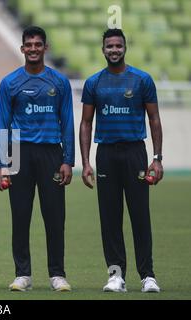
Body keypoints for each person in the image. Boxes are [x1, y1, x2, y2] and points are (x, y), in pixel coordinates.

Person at [79, 28, 163, 293]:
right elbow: (85, 123)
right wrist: (85, 163)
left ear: (125, 48)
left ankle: (147, 276)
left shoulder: (142, 80)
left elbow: (154, 119)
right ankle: (116, 276)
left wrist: (157, 158)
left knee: (140, 215)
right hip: (106, 154)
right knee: (110, 218)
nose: (114, 50)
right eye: (109, 46)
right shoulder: (94, 83)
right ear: (102, 50)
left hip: (135, 153)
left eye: (118, 46)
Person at [0, 26, 74, 292]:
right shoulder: (9, 83)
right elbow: (4, 126)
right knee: (20, 215)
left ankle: (57, 274)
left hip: (51, 152)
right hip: (18, 152)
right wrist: (2, 165)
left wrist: (68, 160)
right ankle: (23, 274)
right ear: (22, 49)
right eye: (28, 45)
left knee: (54, 216)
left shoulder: (59, 82)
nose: (32, 49)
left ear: (45, 48)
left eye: (37, 45)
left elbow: (68, 123)